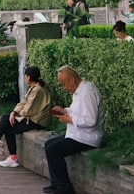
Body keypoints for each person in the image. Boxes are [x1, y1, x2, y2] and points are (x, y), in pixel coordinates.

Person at [44, 65, 105, 194]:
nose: (64, 88)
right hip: (78, 134)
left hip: (87, 138)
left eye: (64, 84)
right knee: (48, 144)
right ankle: (56, 184)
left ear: (72, 79)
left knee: (53, 150)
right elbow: (77, 110)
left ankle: (65, 188)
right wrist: (65, 110)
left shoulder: (87, 92)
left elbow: (90, 120)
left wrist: (70, 120)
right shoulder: (79, 91)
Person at [0, 65, 53, 167]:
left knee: (6, 122)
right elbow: (23, 103)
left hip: (37, 121)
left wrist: (17, 115)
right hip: (32, 118)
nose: (24, 78)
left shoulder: (37, 90)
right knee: (7, 123)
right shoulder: (34, 88)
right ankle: (7, 154)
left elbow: (28, 109)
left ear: (29, 77)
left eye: (25, 76)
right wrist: (14, 112)